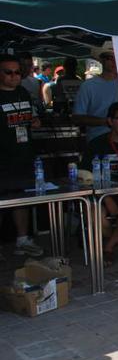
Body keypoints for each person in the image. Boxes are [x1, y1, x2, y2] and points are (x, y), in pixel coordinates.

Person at [80, 102, 118, 265]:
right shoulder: (97, 144)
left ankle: (109, 247)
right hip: (102, 194)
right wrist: (106, 198)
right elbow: (86, 175)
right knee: (94, 213)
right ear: (110, 121)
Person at [0, 55, 44, 259]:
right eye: (8, 72)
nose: (14, 76)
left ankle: (22, 239)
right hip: (3, 157)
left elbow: (31, 116)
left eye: (17, 72)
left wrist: (34, 121)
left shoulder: (23, 92)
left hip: (24, 153)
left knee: (22, 198)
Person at [73, 42, 118, 142]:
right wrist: (105, 122)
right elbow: (77, 118)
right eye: (110, 58)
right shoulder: (88, 86)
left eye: (117, 57)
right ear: (102, 60)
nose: (114, 61)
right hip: (97, 140)